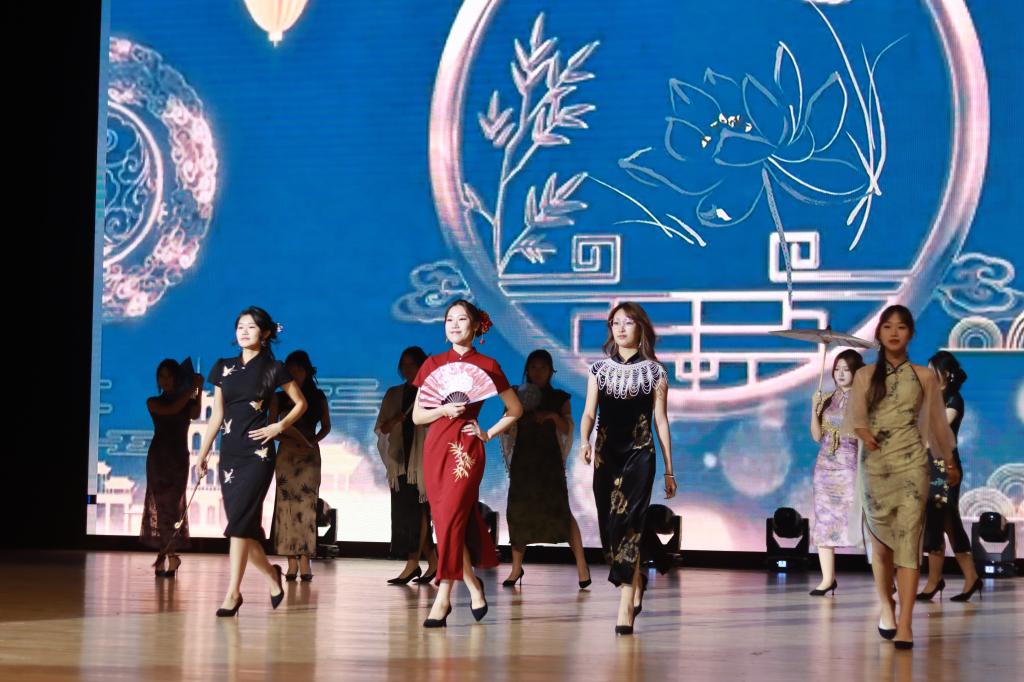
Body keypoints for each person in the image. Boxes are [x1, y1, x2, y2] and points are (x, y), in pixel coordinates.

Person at [844, 305, 959, 649]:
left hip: (912, 466)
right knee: (880, 549)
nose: (894, 332)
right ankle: (886, 605)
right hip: (875, 469)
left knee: (909, 543)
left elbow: (938, 425)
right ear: (879, 333)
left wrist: (949, 462)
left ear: (911, 334)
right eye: (888, 327)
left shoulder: (924, 376)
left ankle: (906, 623)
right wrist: (866, 434)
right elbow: (855, 418)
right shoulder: (865, 376)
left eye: (902, 327)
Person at [412, 299, 523, 627]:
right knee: (446, 522)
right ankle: (473, 585)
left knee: (453, 516)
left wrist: (488, 433)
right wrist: (442, 410)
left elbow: (515, 409)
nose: (455, 325)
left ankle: (443, 596)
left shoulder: (487, 365)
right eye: (449, 319)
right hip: (436, 447)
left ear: (476, 326)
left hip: (466, 448)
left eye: (462, 319)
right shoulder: (432, 364)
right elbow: (417, 416)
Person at [196, 306, 308, 616]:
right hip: (230, 454)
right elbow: (217, 415)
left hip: (258, 455)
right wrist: (203, 453)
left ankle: (233, 594)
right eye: (240, 326)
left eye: (251, 326)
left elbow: (300, 403)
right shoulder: (223, 367)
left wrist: (278, 427)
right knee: (242, 526)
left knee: (238, 526)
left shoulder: (274, 368)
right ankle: (272, 575)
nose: (244, 331)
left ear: (266, 333)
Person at [579, 302, 676, 635]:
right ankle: (637, 579)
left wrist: (669, 469)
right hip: (606, 455)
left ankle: (625, 603)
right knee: (610, 528)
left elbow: (661, 421)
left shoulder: (655, 373)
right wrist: (584, 440)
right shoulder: (598, 370)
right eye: (615, 322)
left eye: (628, 322)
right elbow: (589, 413)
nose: (621, 328)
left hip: (640, 454)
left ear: (641, 328)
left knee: (630, 524)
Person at [501, 349, 591, 589]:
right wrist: (511, 411)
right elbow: (506, 427)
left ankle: (582, 565)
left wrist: (552, 416)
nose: (538, 371)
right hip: (523, 463)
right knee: (518, 513)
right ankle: (516, 568)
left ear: (551, 371)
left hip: (549, 464)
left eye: (543, 367)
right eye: (533, 367)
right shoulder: (517, 394)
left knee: (562, 512)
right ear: (527, 370)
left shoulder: (560, 398)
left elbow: (567, 429)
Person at [918, 350, 981, 602]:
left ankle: (963, 578)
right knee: (937, 522)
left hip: (946, 468)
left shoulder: (954, 399)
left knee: (947, 522)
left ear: (944, 373)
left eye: (931, 370)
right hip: (927, 465)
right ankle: (940, 579)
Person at [375, 346, 438, 584]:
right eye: (404, 365)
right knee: (404, 512)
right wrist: (396, 420)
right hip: (401, 461)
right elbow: (382, 428)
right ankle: (433, 561)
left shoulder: (430, 393)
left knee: (419, 511)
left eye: (412, 364)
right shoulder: (394, 394)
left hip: (423, 460)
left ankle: (413, 563)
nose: (407, 369)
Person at [270, 350, 330, 581]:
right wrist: (289, 441)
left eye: (299, 370)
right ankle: (291, 561)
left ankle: (305, 559)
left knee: (307, 506)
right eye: (291, 370)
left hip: (309, 455)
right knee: (285, 506)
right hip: (287, 455)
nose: (295, 374)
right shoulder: (278, 397)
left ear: (307, 371)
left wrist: (311, 441)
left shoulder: (317, 396)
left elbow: (326, 426)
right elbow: (271, 428)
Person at [808, 349, 864, 595]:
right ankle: (827, 579)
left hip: (849, 467)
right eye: (837, 369)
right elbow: (816, 436)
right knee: (824, 522)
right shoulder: (828, 399)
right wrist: (814, 408)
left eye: (846, 369)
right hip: (824, 469)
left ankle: (886, 577)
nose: (840, 374)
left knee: (860, 521)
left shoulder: (863, 400)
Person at [141, 359, 203, 577]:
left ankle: (167, 555)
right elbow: (172, 409)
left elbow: (195, 413)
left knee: (172, 508)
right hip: (158, 458)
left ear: (177, 378)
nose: (165, 380)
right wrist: (192, 388)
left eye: (169, 376)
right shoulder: (153, 402)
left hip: (178, 459)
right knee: (161, 507)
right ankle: (169, 556)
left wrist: (198, 389)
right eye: (162, 376)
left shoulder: (186, 400)